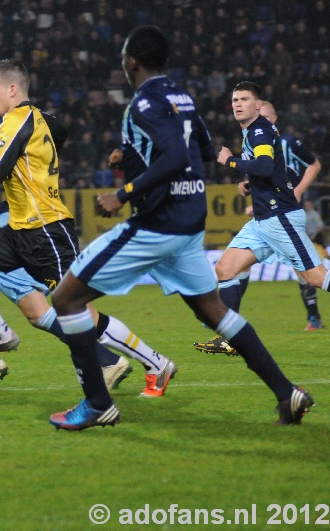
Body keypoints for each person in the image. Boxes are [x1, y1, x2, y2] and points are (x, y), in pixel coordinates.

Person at [48, 27, 313, 431]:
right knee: (214, 310)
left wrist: (123, 193)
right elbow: (202, 151)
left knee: (66, 299)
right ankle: (286, 393)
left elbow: (173, 156)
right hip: (190, 222)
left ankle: (97, 403)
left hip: (157, 223)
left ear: (131, 61)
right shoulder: (181, 97)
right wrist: (134, 157)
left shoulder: (144, 103)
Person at [0, 65, 175, 396]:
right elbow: (60, 132)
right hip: (18, 230)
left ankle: (156, 363)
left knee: (76, 310)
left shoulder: (18, 119)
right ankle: (0, 335)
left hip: (47, 230)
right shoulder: (36, 118)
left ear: (13, 90)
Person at [193, 81, 330, 353]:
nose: (238, 104)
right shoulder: (254, 132)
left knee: (316, 277)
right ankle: (229, 338)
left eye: (244, 99)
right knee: (226, 269)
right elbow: (277, 171)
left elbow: (265, 166)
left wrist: (230, 162)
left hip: (280, 219)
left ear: (257, 105)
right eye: (234, 100)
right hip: (263, 221)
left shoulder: (258, 131)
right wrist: (251, 184)